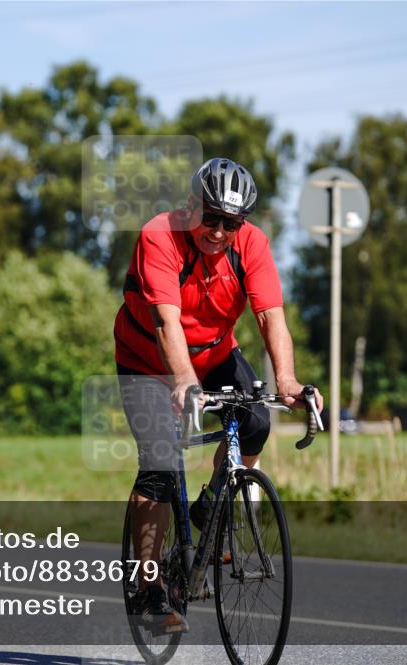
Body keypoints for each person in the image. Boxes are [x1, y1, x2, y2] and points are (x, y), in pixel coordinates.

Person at [115, 157, 324, 633]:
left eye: (231, 223)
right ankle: (148, 588)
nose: (219, 231)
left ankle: (210, 511)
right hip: (147, 362)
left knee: (255, 421)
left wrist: (287, 381)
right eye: (211, 218)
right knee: (161, 463)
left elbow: (272, 318)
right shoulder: (159, 237)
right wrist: (185, 383)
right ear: (192, 206)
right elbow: (166, 321)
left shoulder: (251, 245)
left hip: (213, 354)